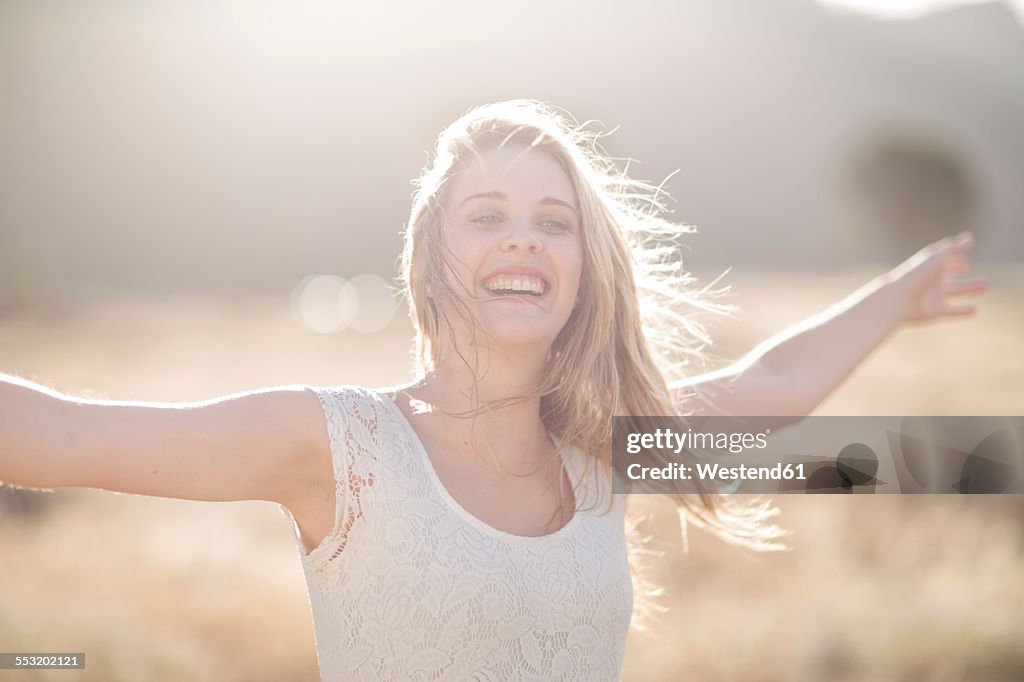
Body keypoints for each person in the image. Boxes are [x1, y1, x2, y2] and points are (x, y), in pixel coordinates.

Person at [0, 100, 987, 680]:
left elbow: (769, 383)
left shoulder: (605, 450)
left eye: (554, 222)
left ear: (583, 268)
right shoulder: (339, 447)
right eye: (488, 214)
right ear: (430, 263)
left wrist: (897, 296)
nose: (524, 236)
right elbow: (63, 432)